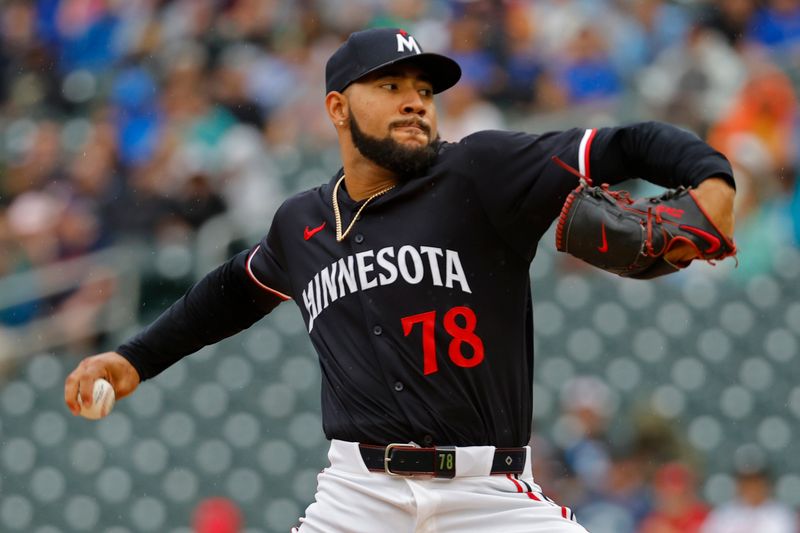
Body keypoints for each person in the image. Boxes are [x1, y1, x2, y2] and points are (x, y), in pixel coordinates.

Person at [64, 27, 735, 532]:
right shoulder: (302, 223)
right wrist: (132, 358)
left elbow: (620, 144)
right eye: (390, 87)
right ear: (336, 108)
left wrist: (711, 177)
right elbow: (231, 291)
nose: (415, 102)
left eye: (423, 90)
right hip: (358, 497)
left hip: (488, 495)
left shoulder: (481, 172)